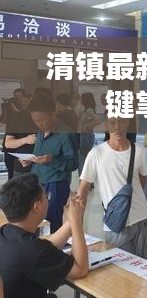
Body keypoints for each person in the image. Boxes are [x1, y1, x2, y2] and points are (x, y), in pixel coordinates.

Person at [0, 173, 88, 298]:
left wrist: (69, 223)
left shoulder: (6, 232)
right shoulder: (33, 252)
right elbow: (80, 269)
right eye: (46, 196)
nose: (48, 199)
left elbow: (44, 247)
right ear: (37, 206)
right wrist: (76, 222)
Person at [77, 116, 147, 258]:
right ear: (105, 124)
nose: (117, 127)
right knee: (120, 267)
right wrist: (77, 224)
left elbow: (141, 180)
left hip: (142, 219)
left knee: (143, 263)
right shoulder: (96, 154)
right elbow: (82, 191)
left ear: (127, 123)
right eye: (112, 122)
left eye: (121, 121)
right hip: (116, 224)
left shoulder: (139, 151)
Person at [21, 96, 78, 233]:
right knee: (34, 219)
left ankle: (53, 245)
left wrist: (53, 160)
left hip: (55, 183)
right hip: (37, 181)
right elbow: (38, 153)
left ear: (53, 113)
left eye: (42, 119)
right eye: (35, 121)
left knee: (52, 220)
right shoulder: (41, 132)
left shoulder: (66, 134)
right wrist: (30, 160)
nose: (39, 124)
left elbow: (73, 163)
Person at [4, 94, 37, 176]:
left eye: (26, 101)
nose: (23, 103)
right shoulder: (19, 116)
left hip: (46, 169)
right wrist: (25, 140)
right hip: (22, 168)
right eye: (22, 101)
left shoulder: (53, 120)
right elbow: (8, 143)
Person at [77, 92, 100, 176]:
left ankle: (84, 178)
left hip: (85, 135)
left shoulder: (89, 110)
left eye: (82, 98)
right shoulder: (88, 110)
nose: (80, 100)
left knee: (83, 158)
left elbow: (97, 122)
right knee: (84, 158)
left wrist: (86, 127)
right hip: (86, 135)